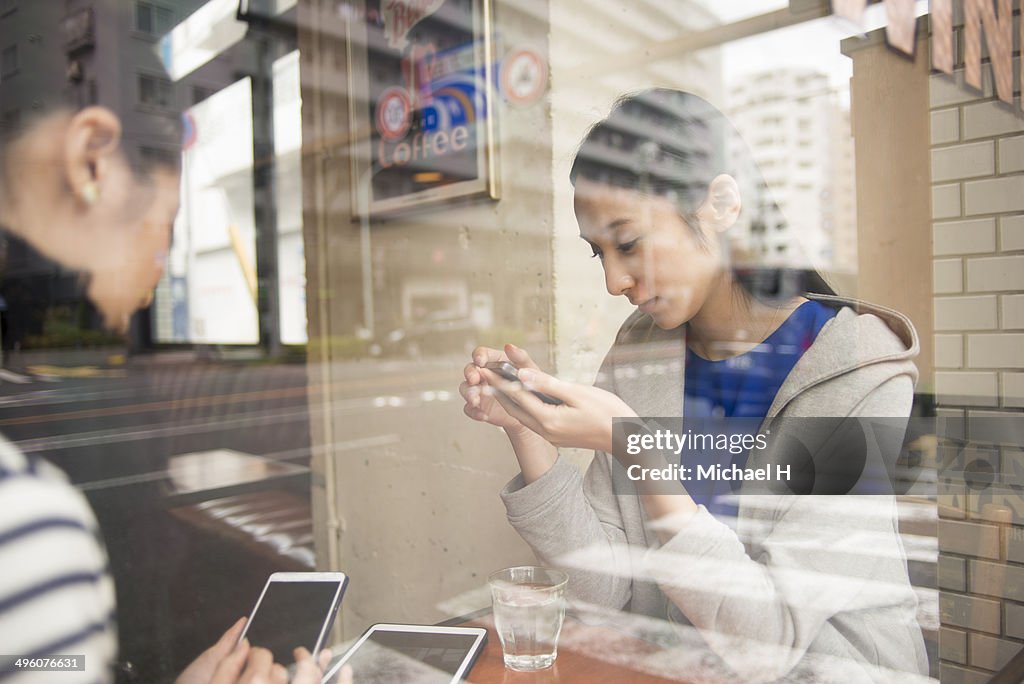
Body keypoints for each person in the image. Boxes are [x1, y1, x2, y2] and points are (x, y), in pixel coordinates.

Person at [460, 89, 928, 682]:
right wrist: (528, 435)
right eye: (597, 252)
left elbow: (771, 641)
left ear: (723, 203)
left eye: (628, 243)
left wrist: (635, 446)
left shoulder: (855, 367)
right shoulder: (642, 351)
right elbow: (605, 596)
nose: (613, 279)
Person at [0, 76, 326, 684]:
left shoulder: (46, 387)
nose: (158, 264)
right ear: (90, 158)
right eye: (164, 224)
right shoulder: (27, 515)